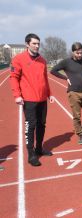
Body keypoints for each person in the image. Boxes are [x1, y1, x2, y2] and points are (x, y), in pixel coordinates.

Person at [10, 33, 54, 167]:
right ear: (27, 44)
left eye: (38, 44)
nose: (37, 46)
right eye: (34, 43)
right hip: (29, 99)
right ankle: (31, 154)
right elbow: (14, 78)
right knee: (31, 126)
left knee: (42, 124)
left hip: (42, 99)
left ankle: (39, 148)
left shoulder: (42, 60)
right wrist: (17, 95)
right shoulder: (18, 59)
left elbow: (45, 79)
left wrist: (49, 94)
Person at [50, 42, 82, 145]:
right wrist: (65, 78)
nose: (79, 55)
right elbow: (53, 70)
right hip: (73, 93)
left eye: (81, 53)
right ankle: (80, 135)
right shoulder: (66, 62)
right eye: (77, 53)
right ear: (73, 52)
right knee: (76, 116)